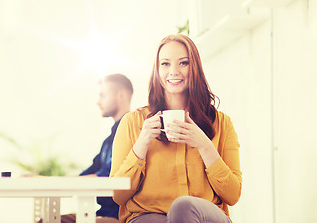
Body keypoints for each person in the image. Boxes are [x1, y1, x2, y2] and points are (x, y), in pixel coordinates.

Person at [110, 34, 242, 223]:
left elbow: (233, 195)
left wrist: (205, 146)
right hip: (148, 216)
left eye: (183, 63)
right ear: (157, 69)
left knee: (183, 207)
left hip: (205, 217)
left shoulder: (221, 123)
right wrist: (141, 145)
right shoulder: (133, 122)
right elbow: (117, 195)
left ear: (194, 67)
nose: (173, 71)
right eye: (165, 64)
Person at [61, 74, 134, 223]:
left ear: (120, 95)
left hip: (118, 217)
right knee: (47, 220)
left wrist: (50, 183)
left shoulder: (130, 135)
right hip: (101, 214)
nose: (98, 102)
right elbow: (87, 175)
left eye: (103, 96)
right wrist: (45, 181)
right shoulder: (108, 141)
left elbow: (105, 176)